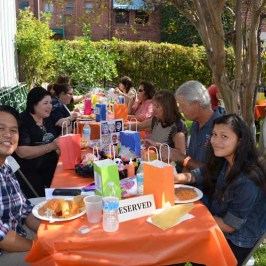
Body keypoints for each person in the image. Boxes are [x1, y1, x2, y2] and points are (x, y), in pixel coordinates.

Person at [174, 114, 266, 265]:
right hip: (219, 223)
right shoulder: (225, 160)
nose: (216, 141)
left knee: (182, 247)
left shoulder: (247, 179)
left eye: (224, 136)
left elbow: (229, 226)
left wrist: (190, 216)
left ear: (240, 141)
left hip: (236, 242)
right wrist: (173, 179)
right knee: (179, 244)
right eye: (214, 135)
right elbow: (198, 175)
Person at [0, 105, 41, 265]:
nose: (8, 135)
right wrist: (38, 246)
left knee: (67, 238)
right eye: (1, 128)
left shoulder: (6, 166)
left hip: (19, 232)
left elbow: (25, 210)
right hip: (4, 252)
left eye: (13, 130)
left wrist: (51, 233)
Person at [160, 80, 221, 171]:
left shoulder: (220, 128)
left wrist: (181, 157)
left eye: (182, 105)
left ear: (196, 104)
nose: (180, 110)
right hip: (190, 182)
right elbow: (189, 162)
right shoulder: (195, 124)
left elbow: (213, 174)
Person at [13, 87, 60, 198]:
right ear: (34, 103)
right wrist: (50, 146)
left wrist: (65, 124)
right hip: (31, 172)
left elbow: (58, 138)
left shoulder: (47, 117)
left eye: (50, 103)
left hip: (52, 167)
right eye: (45, 103)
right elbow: (22, 152)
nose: (50, 106)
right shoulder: (22, 121)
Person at [133, 90, 187, 170]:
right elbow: (138, 126)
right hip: (153, 163)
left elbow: (181, 155)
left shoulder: (178, 126)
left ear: (167, 108)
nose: (154, 109)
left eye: (157, 107)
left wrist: (157, 147)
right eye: (153, 105)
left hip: (169, 170)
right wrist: (122, 127)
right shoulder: (156, 120)